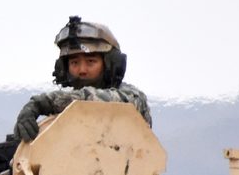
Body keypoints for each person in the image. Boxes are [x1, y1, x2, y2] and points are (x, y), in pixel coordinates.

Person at [12, 15, 151, 142]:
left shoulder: (132, 98)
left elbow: (92, 101)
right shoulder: (64, 107)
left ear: (110, 64)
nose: (82, 70)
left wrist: (42, 103)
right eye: (74, 63)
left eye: (91, 61)